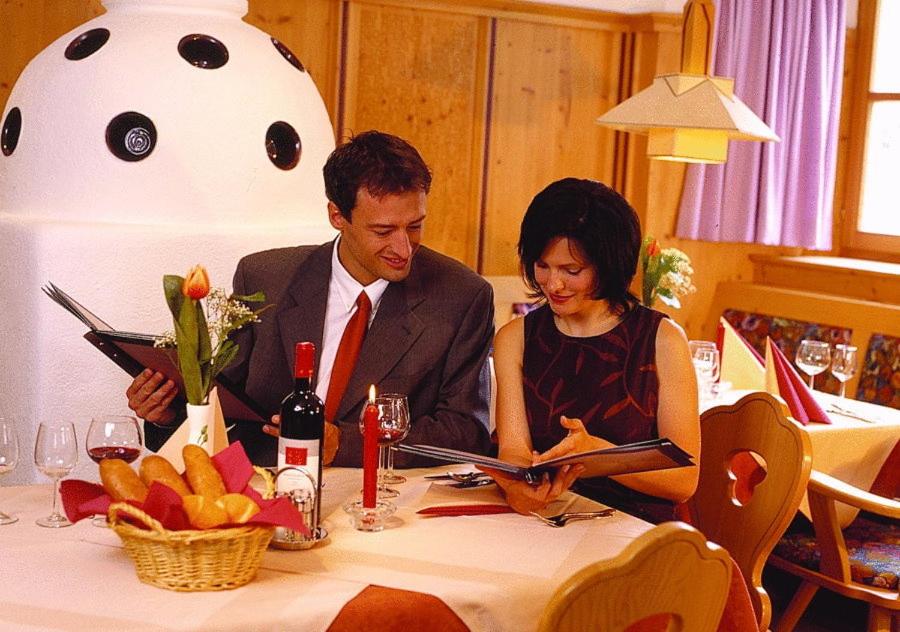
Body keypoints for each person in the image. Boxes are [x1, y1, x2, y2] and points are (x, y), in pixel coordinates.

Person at [126, 130, 495, 467]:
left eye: (414, 226)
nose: (404, 248)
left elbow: (466, 433)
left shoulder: (462, 295)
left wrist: (345, 444)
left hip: (379, 493)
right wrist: (167, 413)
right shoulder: (264, 276)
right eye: (383, 230)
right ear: (337, 215)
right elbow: (226, 402)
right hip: (261, 482)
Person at [490, 177, 699, 524]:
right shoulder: (515, 338)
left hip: (635, 530)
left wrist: (597, 455)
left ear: (608, 265)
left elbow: (684, 479)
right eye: (542, 266)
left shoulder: (662, 340)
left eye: (571, 270)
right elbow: (513, 450)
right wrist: (517, 488)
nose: (553, 284)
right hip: (546, 521)